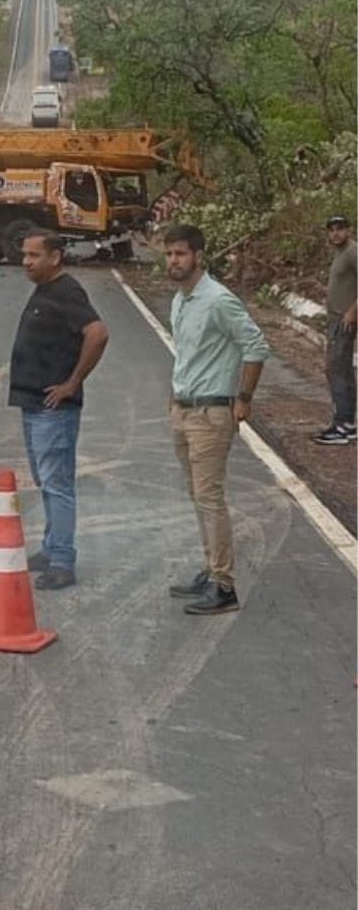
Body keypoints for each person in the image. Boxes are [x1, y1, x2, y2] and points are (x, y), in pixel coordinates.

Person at [162, 223, 270, 616]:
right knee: (198, 496)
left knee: (210, 498)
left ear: (198, 256)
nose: (174, 260)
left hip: (211, 413)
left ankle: (224, 585)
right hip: (184, 409)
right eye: (170, 253)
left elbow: (256, 346)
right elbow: (186, 353)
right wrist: (173, 395)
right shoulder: (180, 300)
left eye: (181, 254)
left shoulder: (218, 300)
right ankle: (211, 572)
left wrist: (244, 398)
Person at [7, 230, 109, 590]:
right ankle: (52, 548)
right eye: (24, 254)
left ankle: (63, 561)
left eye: (34, 256)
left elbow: (97, 333)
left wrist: (73, 381)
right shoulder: (46, 289)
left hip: (54, 409)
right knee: (46, 481)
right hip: (33, 403)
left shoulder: (67, 291)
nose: (26, 262)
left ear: (55, 257)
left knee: (57, 483)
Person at [313, 214, 355, 446]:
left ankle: (341, 426)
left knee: (335, 369)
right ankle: (347, 423)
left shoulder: (352, 252)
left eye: (340, 228)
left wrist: (352, 311)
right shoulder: (341, 253)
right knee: (342, 370)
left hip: (344, 320)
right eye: (331, 229)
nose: (335, 233)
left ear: (348, 230)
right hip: (335, 318)